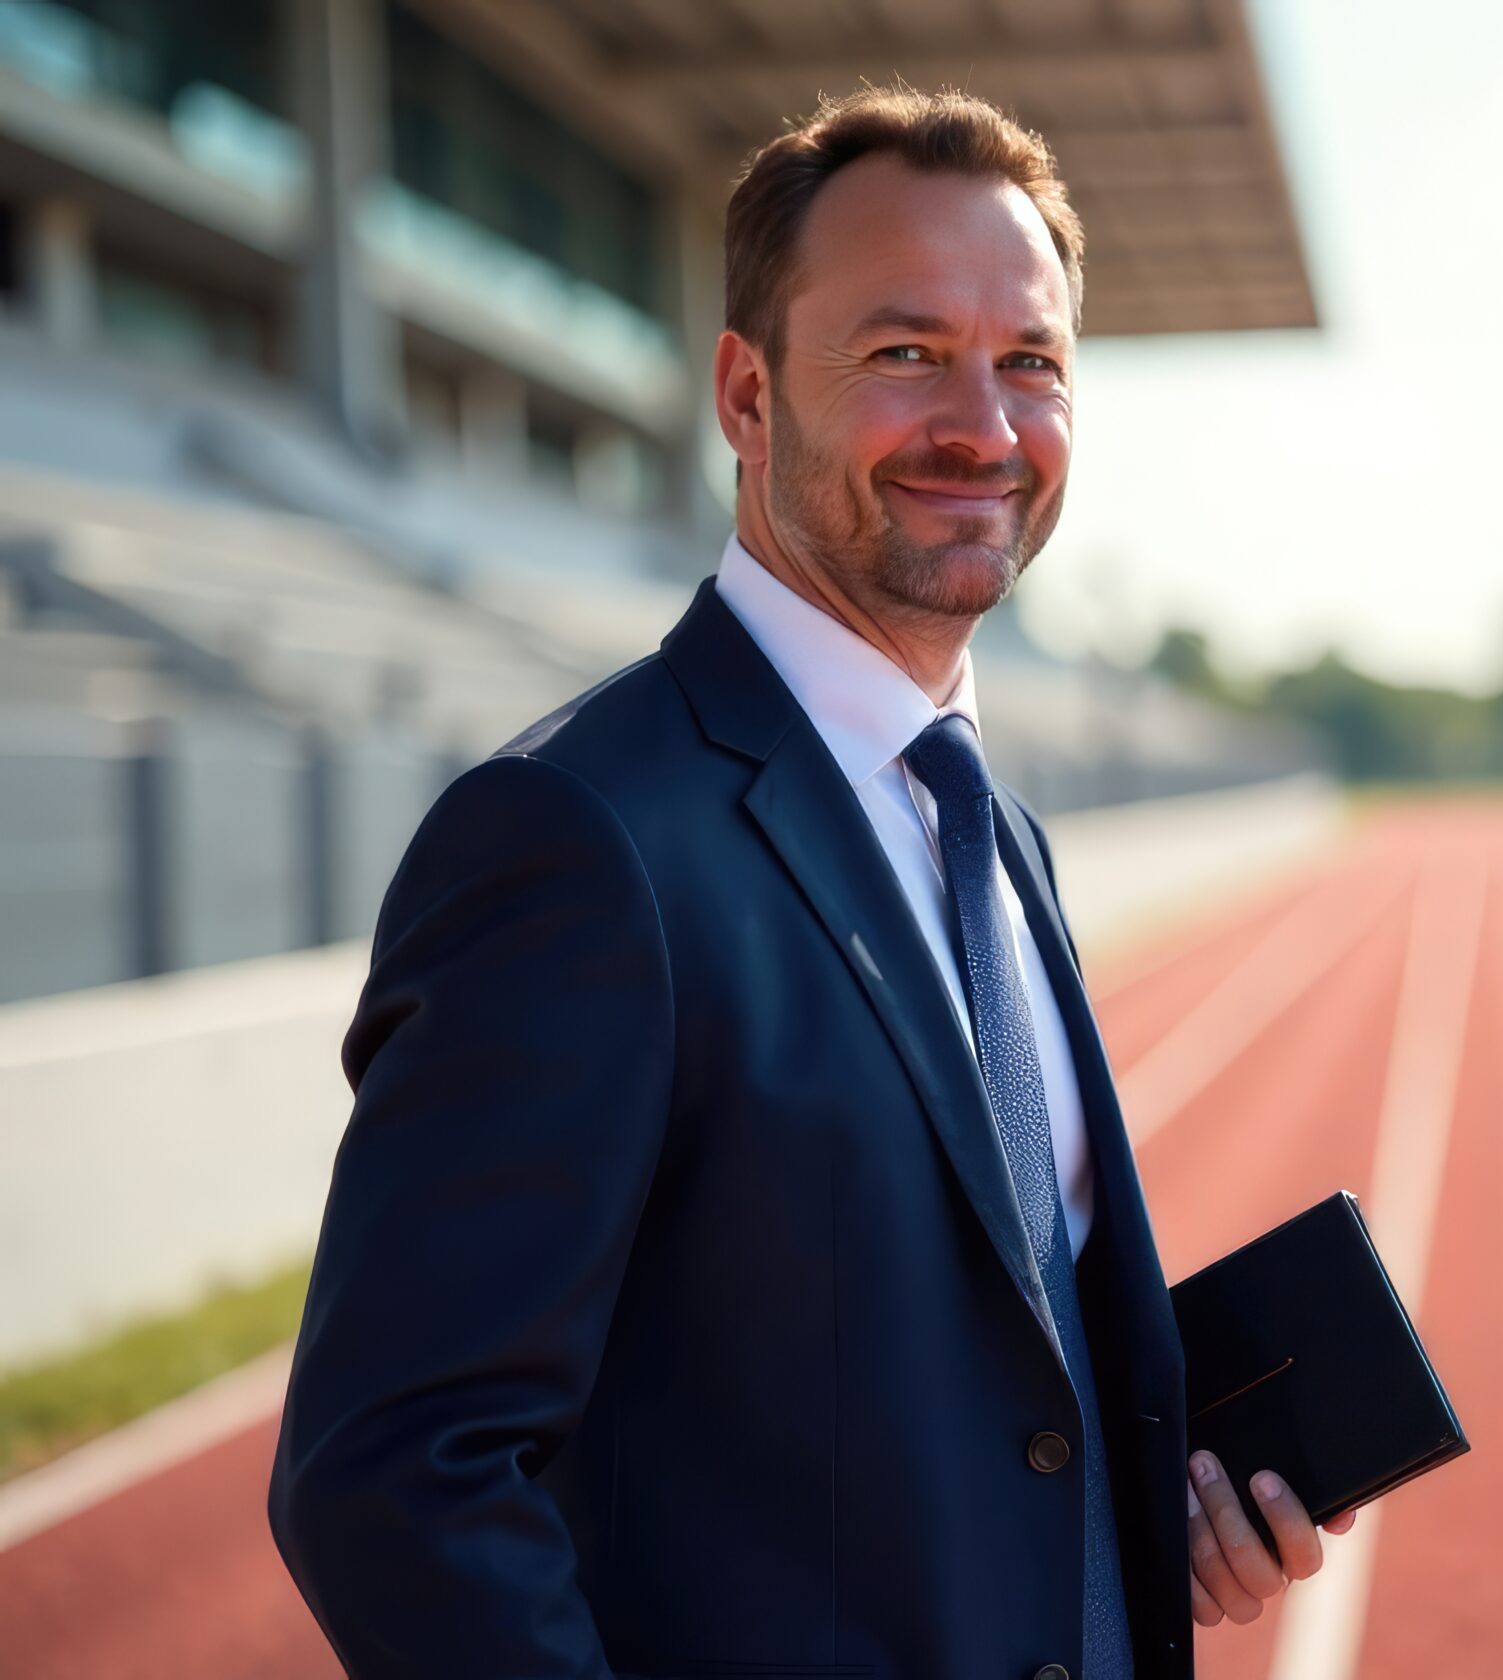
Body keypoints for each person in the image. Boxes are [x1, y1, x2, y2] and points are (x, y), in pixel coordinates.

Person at [267, 86, 1347, 1680]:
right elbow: (390, 1478)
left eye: (1029, 361)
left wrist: (1138, 1520)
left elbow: (941, 1411)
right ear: (748, 394)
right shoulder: (577, 839)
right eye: (905, 352)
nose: (984, 424)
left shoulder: (990, 829)